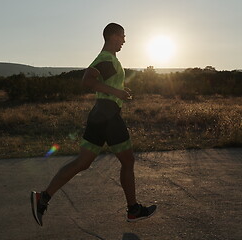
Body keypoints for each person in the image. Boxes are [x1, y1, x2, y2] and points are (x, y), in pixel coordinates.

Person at [31, 23, 157, 226]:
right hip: (108, 115)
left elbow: (99, 83)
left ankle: (43, 197)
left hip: (99, 113)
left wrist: (118, 90)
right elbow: (87, 81)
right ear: (114, 36)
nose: (125, 40)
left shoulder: (108, 59)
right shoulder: (107, 59)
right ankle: (133, 210)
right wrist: (117, 93)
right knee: (128, 161)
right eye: (123, 36)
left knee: (83, 162)